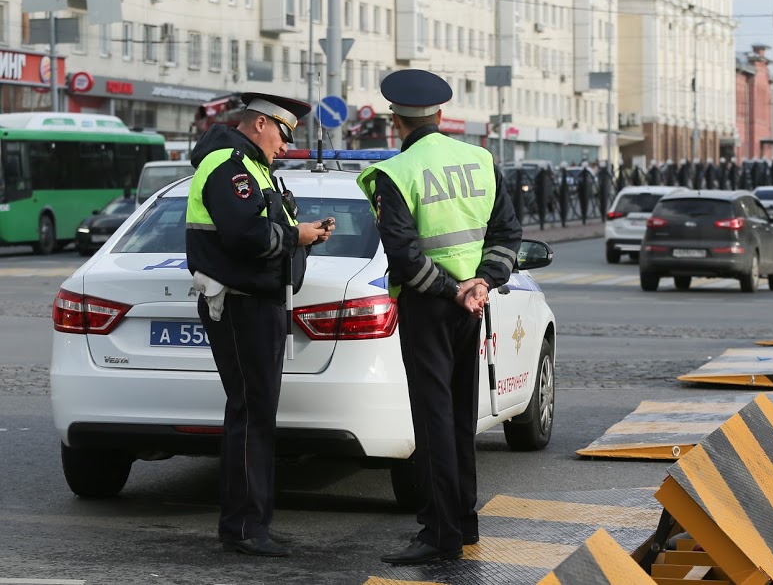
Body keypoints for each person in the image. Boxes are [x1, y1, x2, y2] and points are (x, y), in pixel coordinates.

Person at [357, 69, 522, 565]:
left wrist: (453, 291)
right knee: (460, 419)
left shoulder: (395, 173)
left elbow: (405, 258)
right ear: (441, 116)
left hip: (431, 305)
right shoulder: (480, 160)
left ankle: (438, 533)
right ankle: (464, 522)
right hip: (472, 306)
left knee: (432, 422)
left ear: (395, 121)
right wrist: (482, 283)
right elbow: (507, 233)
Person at [185, 92, 332, 557]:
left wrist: (301, 234)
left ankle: (254, 521)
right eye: (284, 134)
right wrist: (298, 235)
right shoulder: (229, 165)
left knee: (258, 416)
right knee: (251, 416)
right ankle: (245, 528)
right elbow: (246, 235)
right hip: (241, 305)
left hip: (259, 304)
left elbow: (262, 228)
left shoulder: (254, 167)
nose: (286, 145)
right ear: (261, 124)